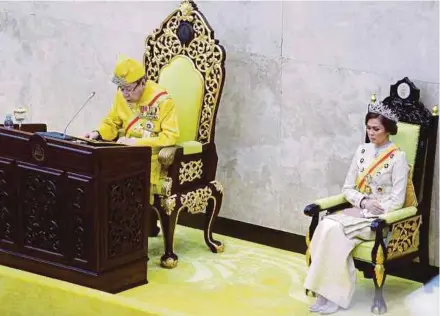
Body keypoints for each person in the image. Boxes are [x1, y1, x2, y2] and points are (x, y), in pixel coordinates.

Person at [304, 101, 410, 314]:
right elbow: (348, 188)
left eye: (376, 129)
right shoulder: (362, 151)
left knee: (332, 229)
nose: (371, 133)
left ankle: (335, 297)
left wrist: (371, 209)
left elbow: (398, 200)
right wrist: (362, 202)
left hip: (379, 219)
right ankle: (324, 294)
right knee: (325, 226)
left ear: (388, 129)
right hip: (357, 210)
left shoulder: (398, 157)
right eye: (368, 128)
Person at [85, 56, 179, 206]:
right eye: (121, 88)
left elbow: (170, 136)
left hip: (150, 156)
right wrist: (98, 133)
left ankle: (141, 223)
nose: (124, 94)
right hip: (124, 152)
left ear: (143, 82)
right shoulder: (121, 95)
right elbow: (112, 121)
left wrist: (136, 143)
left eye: (128, 89)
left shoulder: (162, 100)